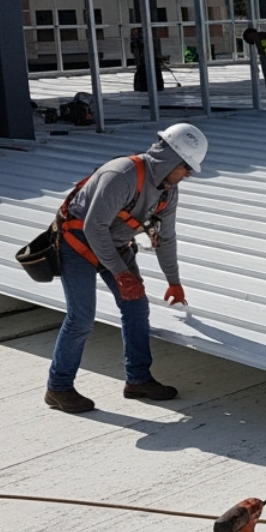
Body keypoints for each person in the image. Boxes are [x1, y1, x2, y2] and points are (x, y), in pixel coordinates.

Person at [44, 123, 207, 413]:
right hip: (78, 242)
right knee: (81, 318)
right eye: (186, 167)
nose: (189, 174)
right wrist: (120, 273)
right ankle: (58, 388)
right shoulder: (121, 174)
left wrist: (174, 281)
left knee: (136, 307)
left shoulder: (167, 190)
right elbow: (94, 228)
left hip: (116, 245)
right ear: (169, 159)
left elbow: (165, 237)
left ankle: (138, 380)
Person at [131, 27, 164, 94]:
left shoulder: (145, 38)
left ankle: (145, 86)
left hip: (145, 60)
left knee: (144, 69)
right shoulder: (138, 39)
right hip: (144, 59)